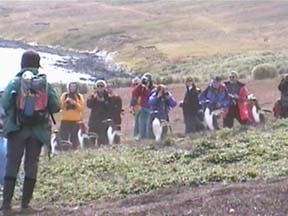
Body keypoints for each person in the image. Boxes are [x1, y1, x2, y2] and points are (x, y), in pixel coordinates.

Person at [0, 50, 60, 212]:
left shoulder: (16, 81)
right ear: (37, 64)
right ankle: (25, 205)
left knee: (12, 163)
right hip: (38, 131)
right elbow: (56, 106)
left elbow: (5, 103)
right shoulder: (44, 83)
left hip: (17, 129)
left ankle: (6, 204)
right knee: (31, 164)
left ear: (22, 63)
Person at [59, 81, 84, 149]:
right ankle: (64, 150)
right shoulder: (64, 95)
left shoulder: (79, 96)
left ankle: (74, 150)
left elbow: (81, 108)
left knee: (75, 138)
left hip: (76, 120)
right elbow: (60, 107)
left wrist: (74, 103)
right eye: (71, 87)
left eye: (74, 87)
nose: (72, 88)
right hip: (65, 120)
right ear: (69, 87)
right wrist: (66, 102)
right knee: (63, 137)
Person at [130, 73, 155, 140]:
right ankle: (141, 137)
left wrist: (147, 88)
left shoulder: (154, 88)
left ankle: (149, 138)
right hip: (143, 108)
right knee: (141, 124)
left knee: (148, 124)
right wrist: (140, 85)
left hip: (150, 108)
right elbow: (133, 92)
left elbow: (151, 95)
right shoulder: (141, 87)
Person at [87, 79, 110, 145]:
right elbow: (89, 105)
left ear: (104, 87)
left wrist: (104, 102)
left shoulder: (108, 96)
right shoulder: (92, 95)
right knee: (91, 139)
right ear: (96, 87)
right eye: (98, 86)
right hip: (94, 120)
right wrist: (94, 99)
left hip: (104, 120)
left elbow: (110, 107)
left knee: (102, 140)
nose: (100, 88)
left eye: (101, 86)